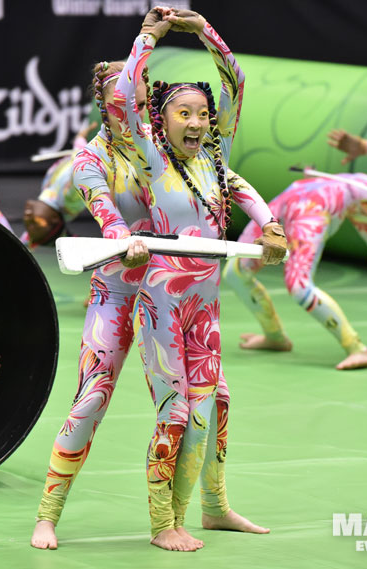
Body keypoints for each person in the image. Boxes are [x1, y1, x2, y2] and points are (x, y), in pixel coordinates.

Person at [31, 55, 271, 550]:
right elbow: (108, 219)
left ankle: (215, 506)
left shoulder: (167, 148)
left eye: (144, 99)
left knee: (216, 399)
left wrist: (265, 219)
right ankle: (48, 514)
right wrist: (128, 237)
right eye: (129, 100)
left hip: (173, 291)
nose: (138, 109)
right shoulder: (91, 161)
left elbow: (224, 178)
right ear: (107, 102)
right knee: (91, 400)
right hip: (118, 293)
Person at [115, 8, 286, 551]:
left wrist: (202, 28)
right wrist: (150, 36)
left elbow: (235, 80)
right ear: (162, 121)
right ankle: (164, 522)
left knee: (216, 404)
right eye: (182, 113)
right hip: (163, 304)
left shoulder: (217, 162)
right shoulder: (152, 157)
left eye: (201, 115)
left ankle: (211, 510)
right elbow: (125, 93)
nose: (194, 122)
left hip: (205, 310)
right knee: (179, 412)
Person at [225, 131, 367, 367]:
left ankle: (357, 349)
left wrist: (365, 146)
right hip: (305, 189)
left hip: (319, 201)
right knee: (235, 271)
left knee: (299, 285)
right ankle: (275, 336)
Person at [22, 121, 96, 247]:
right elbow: (82, 164)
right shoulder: (70, 199)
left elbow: (23, 240)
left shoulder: (48, 192)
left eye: (27, 224)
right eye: (36, 222)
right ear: (54, 219)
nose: (28, 217)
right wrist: (80, 139)